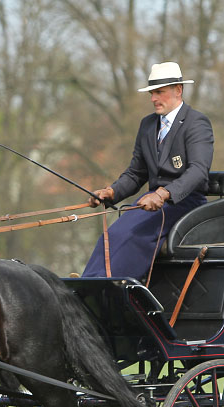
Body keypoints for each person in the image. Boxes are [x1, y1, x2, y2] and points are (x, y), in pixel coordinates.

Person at [81, 61, 214, 280]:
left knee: (132, 233)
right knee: (112, 234)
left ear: (178, 90)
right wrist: (111, 192)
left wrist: (164, 194)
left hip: (184, 202)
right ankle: (93, 283)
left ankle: (114, 286)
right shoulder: (148, 125)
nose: (153, 99)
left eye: (159, 92)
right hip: (150, 202)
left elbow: (198, 171)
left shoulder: (196, 123)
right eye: (152, 93)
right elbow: (136, 173)